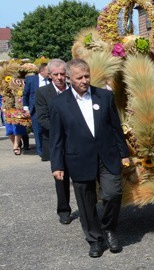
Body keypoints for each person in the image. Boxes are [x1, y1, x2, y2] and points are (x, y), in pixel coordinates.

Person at [50, 59, 130, 258]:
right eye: (79, 78)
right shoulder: (59, 104)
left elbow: (115, 128)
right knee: (86, 203)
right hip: (78, 159)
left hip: (107, 155)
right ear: (69, 79)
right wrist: (57, 165)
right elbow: (57, 138)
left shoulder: (104, 96)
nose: (84, 81)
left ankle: (109, 228)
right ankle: (95, 239)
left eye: (87, 76)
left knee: (112, 193)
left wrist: (124, 154)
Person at [34, 59, 75, 224]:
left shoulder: (75, 90)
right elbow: (42, 118)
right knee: (61, 178)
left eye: (62, 74)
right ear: (49, 75)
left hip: (76, 142)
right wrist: (64, 131)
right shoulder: (42, 93)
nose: (59, 77)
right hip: (56, 141)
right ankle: (64, 210)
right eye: (55, 74)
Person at [22, 63, 49, 153]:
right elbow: (25, 94)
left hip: (49, 108)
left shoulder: (51, 79)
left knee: (49, 129)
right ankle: (41, 151)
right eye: (47, 70)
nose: (50, 72)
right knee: (38, 131)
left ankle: (48, 149)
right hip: (35, 108)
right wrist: (26, 108)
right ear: (41, 71)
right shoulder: (31, 80)